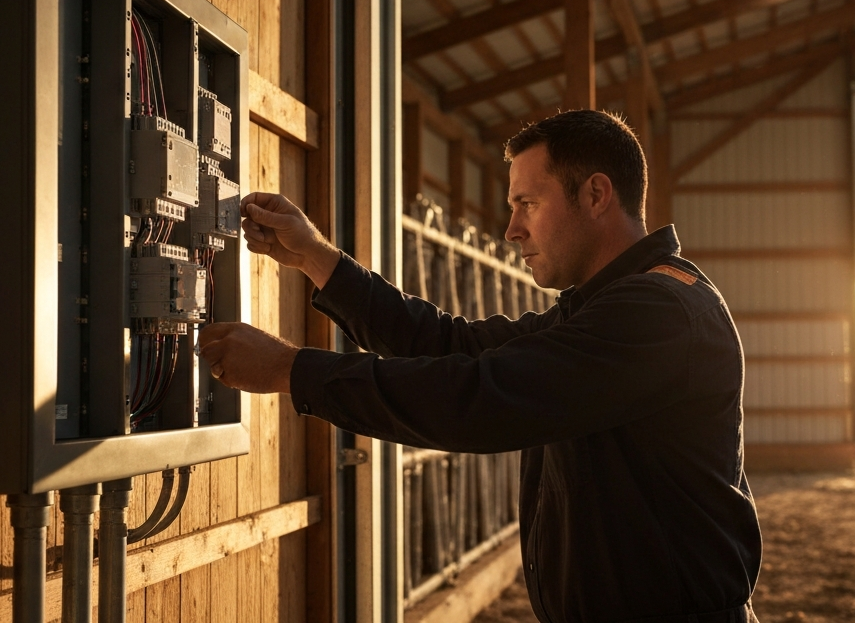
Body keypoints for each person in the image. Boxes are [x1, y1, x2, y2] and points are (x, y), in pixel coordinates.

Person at [199, 109, 762, 622]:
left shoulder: (658, 312)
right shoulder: (604, 308)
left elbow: (481, 397)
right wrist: (316, 258)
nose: (512, 229)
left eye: (528, 204)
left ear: (595, 195)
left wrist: (292, 371)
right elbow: (453, 345)